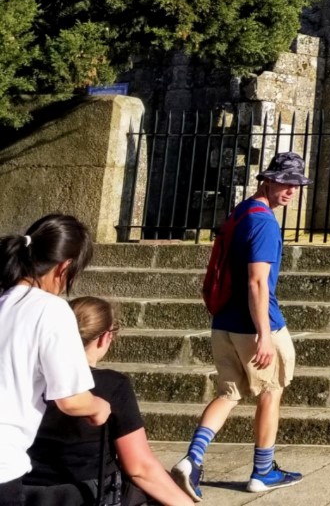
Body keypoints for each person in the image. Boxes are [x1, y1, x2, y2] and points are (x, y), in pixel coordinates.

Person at [171, 153, 311, 501]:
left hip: (224, 322)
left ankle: (192, 459)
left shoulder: (241, 212)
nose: (291, 190)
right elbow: (257, 282)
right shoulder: (264, 223)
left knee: (229, 393)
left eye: (296, 184)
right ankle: (263, 471)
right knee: (271, 391)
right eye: (285, 182)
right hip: (256, 325)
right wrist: (264, 334)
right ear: (268, 180)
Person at [26, 298, 192, 506]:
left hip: (24, 492)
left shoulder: (27, 379)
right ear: (105, 337)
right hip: (87, 495)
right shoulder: (112, 385)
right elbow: (139, 468)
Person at [0, 215, 109, 506]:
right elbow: (71, 400)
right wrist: (99, 406)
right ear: (65, 267)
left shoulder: (4, 300)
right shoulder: (51, 309)